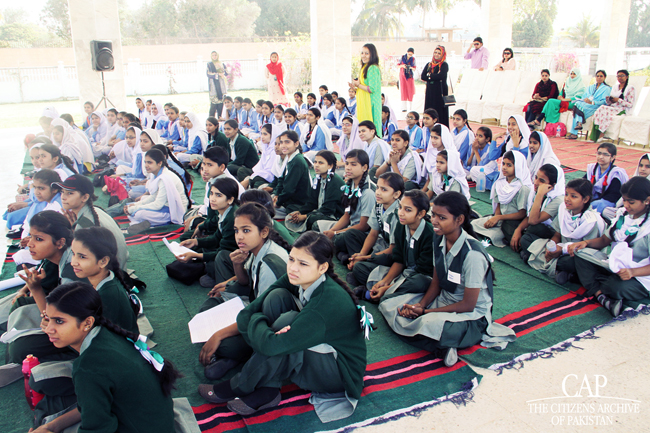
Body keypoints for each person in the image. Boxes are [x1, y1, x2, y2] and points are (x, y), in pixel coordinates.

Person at [198, 232, 367, 422]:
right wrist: (261, 325)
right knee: (277, 297)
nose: (293, 268)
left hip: (339, 372)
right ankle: (269, 388)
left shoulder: (325, 302)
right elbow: (248, 312)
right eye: (292, 259)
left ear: (322, 268)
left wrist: (259, 321)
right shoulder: (298, 277)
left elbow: (269, 341)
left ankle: (239, 384)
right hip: (318, 347)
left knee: (287, 323)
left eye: (303, 264)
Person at [380, 191, 516, 367]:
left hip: (470, 316)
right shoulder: (438, 237)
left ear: (459, 220)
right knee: (389, 305)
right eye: (434, 215)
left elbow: (468, 305)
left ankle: (442, 344)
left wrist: (425, 312)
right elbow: (436, 282)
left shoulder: (472, 254)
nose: (435, 221)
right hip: (443, 301)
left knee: (430, 324)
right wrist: (420, 305)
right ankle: (440, 344)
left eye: (442, 217)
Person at [39, 282, 180, 432]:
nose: (48, 328)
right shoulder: (107, 332)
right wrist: (50, 427)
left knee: (46, 408)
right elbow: (88, 407)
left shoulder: (87, 368)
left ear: (87, 323)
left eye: (59, 321)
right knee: (49, 405)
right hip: (157, 423)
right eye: (48, 318)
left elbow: (98, 429)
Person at [570, 176, 650, 316]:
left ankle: (596, 287)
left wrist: (632, 272)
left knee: (615, 287)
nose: (626, 205)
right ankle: (600, 294)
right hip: (615, 267)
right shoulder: (623, 215)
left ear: (647, 201)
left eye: (631, 202)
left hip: (640, 275)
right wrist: (586, 243)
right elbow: (604, 241)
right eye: (624, 200)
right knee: (580, 254)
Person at [359, 190, 433, 303]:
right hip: (403, 272)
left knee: (419, 282)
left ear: (421, 214)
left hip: (418, 278)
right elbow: (399, 260)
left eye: (408, 210)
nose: (401, 213)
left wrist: (387, 287)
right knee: (360, 268)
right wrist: (385, 281)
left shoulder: (430, 234)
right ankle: (386, 294)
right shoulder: (401, 225)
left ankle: (382, 294)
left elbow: (422, 272)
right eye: (400, 207)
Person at [526, 178, 605, 284]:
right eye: (566, 194)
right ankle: (560, 270)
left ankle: (537, 258)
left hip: (576, 255)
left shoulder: (592, 221)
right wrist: (551, 247)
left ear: (585, 199)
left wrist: (562, 250)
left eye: (573, 196)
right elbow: (558, 234)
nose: (567, 199)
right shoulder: (564, 209)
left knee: (572, 262)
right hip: (560, 249)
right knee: (526, 239)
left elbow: (587, 251)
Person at [472, 151, 533, 246]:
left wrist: (498, 217)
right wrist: (496, 219)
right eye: (503, 163)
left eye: (509, 165)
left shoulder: (522, 188)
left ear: (517, 167)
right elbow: (498, 205)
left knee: (496, 234)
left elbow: (522, 214)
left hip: (513, 222)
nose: (504, 167)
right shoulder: (500, 183)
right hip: (500, 219)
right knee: (473, 224)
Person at [124, 148, 190, 234]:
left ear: (159, 163)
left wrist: (136, 208)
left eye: (150, 162)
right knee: (142, 200)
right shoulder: (156, 174)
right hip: (163, 207)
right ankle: (146, 223)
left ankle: (147, 223)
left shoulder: (165, 178)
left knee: (139, 214)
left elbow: (158, 205)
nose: (146, 165)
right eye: (145, 162)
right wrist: (136, 205)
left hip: (172, 212)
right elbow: (153, 196)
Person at [285, 150, 345, 233]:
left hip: (334, 216)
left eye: (321, 163)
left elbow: (328, 210)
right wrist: (300, 212)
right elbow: (312, 202)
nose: (316, 165)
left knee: (314, 221)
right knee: (292, 210)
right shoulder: (318, 178)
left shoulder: (334, 181)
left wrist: (305, 216)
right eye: (315, 162)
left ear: (330, 166)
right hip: (320, 211)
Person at [585, 142, 629, 214]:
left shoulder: (616, 173)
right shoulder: (592, 168)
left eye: (605, 154)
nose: (601, 157)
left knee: (598, 207)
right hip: (593, 197)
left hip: (608, 201)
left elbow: (613, 195)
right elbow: (583, 184)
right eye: (599, 153)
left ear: (613, 157)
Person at [592, 70, 636, 142]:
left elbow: (630, 104)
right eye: (618, 76)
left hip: (623, 109)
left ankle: (601, 133)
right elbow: (610, 102)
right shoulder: (615, 87)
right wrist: (609, 100)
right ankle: (594, 135)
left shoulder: (630, 88)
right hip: (614, 107)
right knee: (600, 109)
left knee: (604, 110)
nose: (620, 78)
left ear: (627, 77)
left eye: (622, 76)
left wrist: (618, 100)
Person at [567, 70, 610, 139]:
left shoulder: (607, 89)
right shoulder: (590, 87)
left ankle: (574, 132)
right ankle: (579, 124)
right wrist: (586, 100)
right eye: (597, 76)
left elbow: (605, 101)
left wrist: (593, 102)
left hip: (595, 106)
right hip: (586, 104)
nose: (599, 77)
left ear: (604, 77)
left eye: (601, 76)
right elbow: (584, 96)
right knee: (577, 104)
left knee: (578, 108)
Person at [350, 43, 382, 133]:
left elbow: (372, 89)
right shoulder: (364, 67)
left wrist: (358, 85)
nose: (363, 56)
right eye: (362, 53)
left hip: (370, 103)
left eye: (366, 53)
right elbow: (363, 87)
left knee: (371, 128)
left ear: (372, 54)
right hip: (363, 102)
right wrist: (355, 87)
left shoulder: (373, 68)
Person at [421, 45, 450, 128]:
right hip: (430, 91)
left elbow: (441, 76)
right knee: (429, 108)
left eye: (439, 53)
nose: (436, 54)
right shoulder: (429, 64)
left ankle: (440, 128)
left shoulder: (444, 65)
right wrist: (433, 76)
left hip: (440, 91)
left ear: (442, 54)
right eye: (435, 52)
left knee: (440, 111)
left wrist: (429, 76)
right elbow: (423, 76)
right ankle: (428, 126)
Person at [207, 51, 228, 118]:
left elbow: (226, 72)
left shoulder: (222, 63)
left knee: (221, 104)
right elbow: (208, 73)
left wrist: (222, 73)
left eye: (215, 55)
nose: (214, 56)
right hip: (213, 84)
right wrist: (217, 74)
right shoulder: (210, 64)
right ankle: (211, 120)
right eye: (212, 55)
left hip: (221, 84)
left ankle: (220, 119)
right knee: (213, 105)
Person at [398, 48, 417, 112]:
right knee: (403, 91)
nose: (410, 55)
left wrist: (410, 67)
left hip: (410, 76)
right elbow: (398, 66)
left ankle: (411, 107)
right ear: (407, 52)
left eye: (411, 54)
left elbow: (414, 68)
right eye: (409, 54)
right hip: (402, 75)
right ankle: (404, 107)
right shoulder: (402, 57)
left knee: (410, 91)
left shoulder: (413, 59)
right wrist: (403, 66)